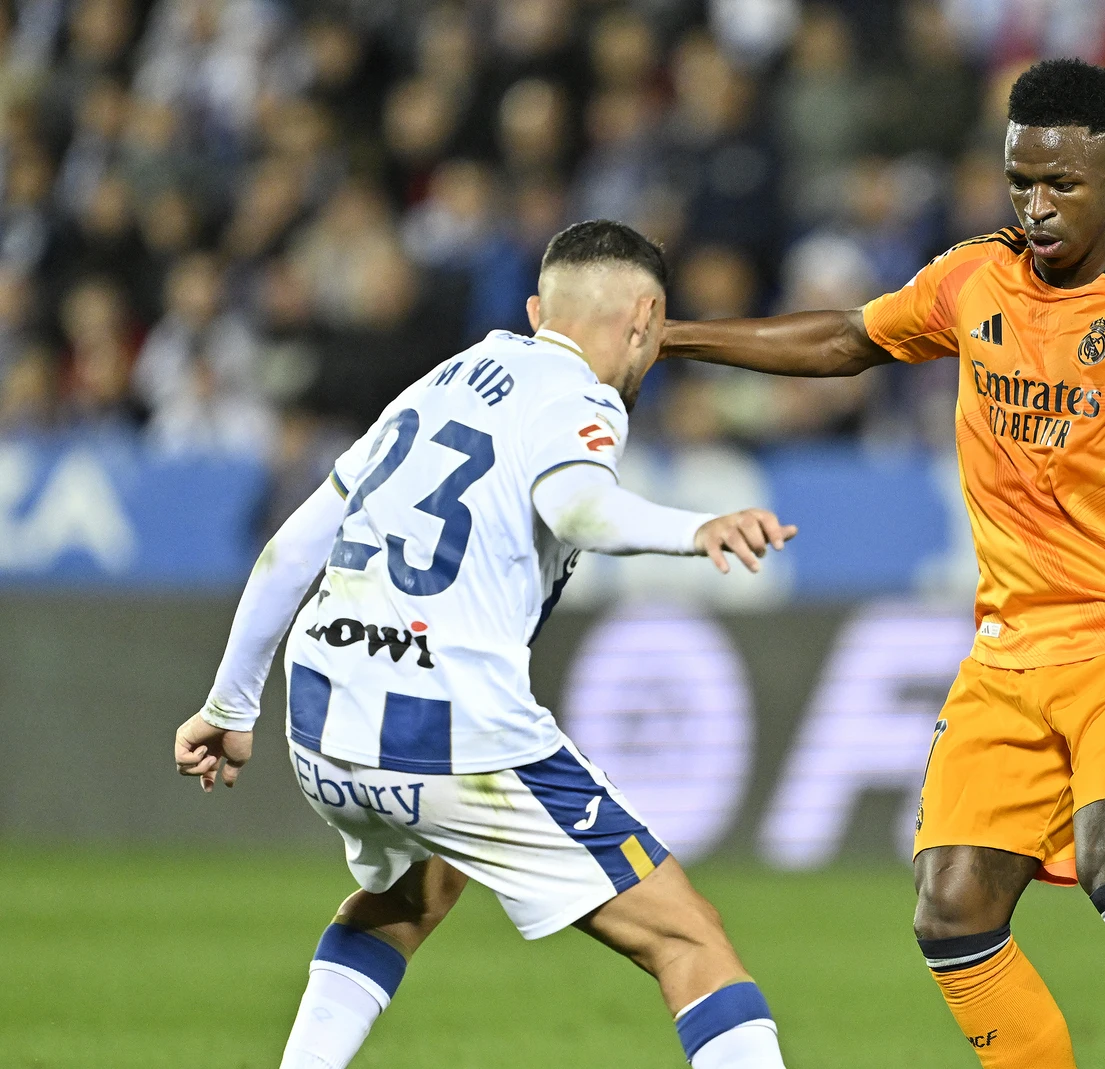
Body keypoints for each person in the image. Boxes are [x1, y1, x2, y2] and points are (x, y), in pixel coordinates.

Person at [664, 58, 1105, 1069]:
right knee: (951, 910)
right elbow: (849, 339)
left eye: (1060, 183)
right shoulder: (974, 276)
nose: (1034, 205)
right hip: (1009, 648)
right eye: (1019, 179)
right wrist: (672, 335)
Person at [171, 220, 799, 1069]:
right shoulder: (583, 397)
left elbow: (289, 549)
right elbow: (579, 507)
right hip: (447, 722)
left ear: (540, 309)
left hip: (321, 717)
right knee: (690, 938)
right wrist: (698, 530)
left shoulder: (444, 379)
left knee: (412, 887)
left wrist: (227, 705)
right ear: (647, 319)